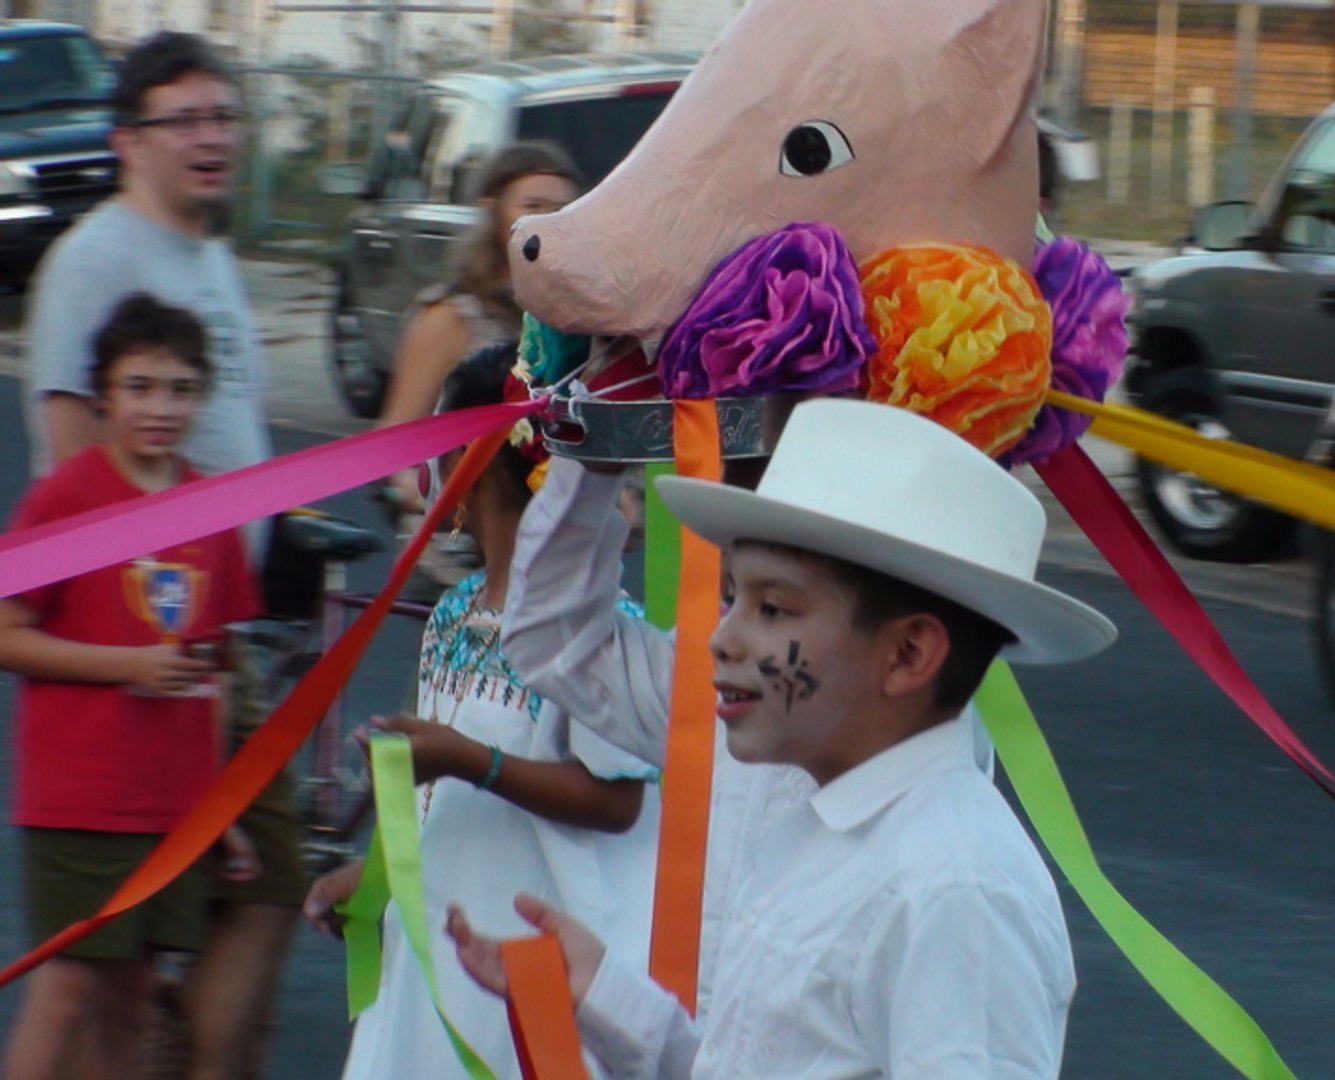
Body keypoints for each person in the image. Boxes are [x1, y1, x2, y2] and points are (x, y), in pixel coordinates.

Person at [451, 398, 1117, 1077]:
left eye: (772, 608)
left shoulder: (954, 888)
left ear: (909, 655)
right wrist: (603, 995)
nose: (722, 637)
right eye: (732, 595)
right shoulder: (819, 830)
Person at [19, 32, 303, 1079]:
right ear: (125, 138)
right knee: (85, 965)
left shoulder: (206, 253)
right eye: (185, 120)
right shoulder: (98, 258)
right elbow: (73, 479)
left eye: (225, 116)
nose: (213, 138)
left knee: (155, 940)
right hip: (145, 658)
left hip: (204, 640)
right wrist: (142, 653)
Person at [301, 343, 661, 1079]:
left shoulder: (592, 630)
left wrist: (475, 762)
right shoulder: (455, 613)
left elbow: (620, 799)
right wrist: (376, 883)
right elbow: (433, 798)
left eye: (435, 445)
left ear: (472, 459)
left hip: (524, 952)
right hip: (437, 940)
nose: (420, 469)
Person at [0, 294, 262, 1080]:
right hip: (80, 794)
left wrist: (221, 814)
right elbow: (7, 632)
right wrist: (129, 667)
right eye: (140, 387)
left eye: (180, 389)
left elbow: (210, 673)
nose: (161, 407)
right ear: (103, 396)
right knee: (70, 986)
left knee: (135, 994)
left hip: (171, 803)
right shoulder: (68, 497)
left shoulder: (213, 509)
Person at [374, 142, 582, 509]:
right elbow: (393, 444)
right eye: (532, 207)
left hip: (551, 544)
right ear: (493, 213)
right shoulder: (454, 314)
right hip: (462, 540)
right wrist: (442, 502)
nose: (549, 222)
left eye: (562, 210)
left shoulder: (574, 317)